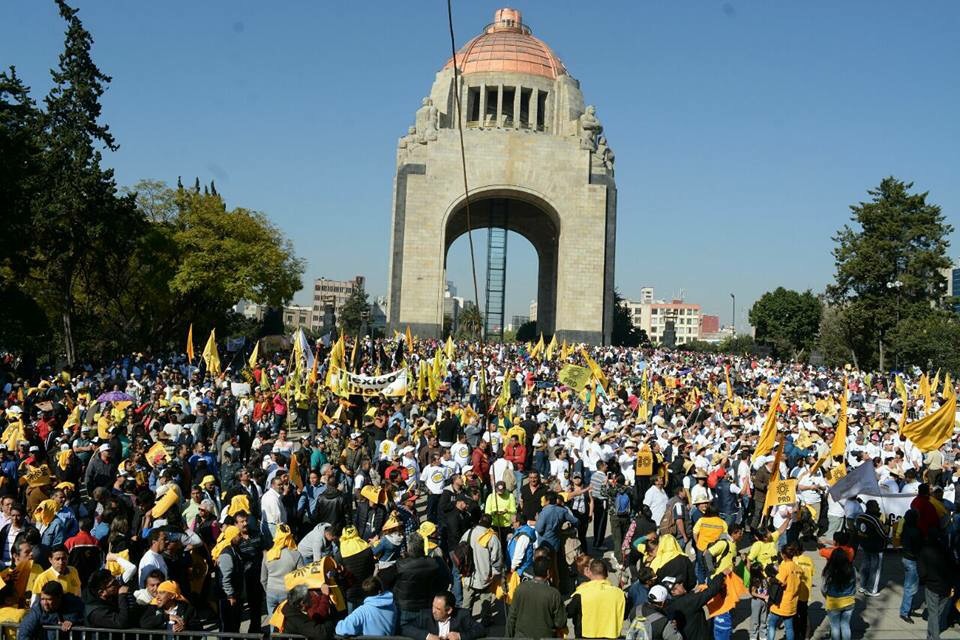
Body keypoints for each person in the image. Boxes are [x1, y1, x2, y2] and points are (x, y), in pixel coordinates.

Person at [393, 533, 448, 627]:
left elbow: (385, 582)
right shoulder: (435, 563)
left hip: (406, 609)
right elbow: (445, 582)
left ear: (409, 548)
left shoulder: (400, 565)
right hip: (427, 607)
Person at [506, 556, 566, 639]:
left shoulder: (520, 588)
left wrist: (508, 637)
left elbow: (511, 617)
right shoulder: (554, 594)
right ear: (548, 572)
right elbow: (560, 622)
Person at [664, 567, 729, 640]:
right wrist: (721, 575)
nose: (682, 584)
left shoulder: (669, 605)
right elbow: (711, 591)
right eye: (678, 584)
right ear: (673, 592)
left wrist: (692, 593)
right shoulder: (688, 601)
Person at [567, 558, 625, 639]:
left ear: (590, 573)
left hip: (585, 635)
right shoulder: (619, 594)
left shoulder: (581, 593)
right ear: (607, 574)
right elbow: (624, 614)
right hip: (611, 635)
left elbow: (569, 612)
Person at [917, 531, 957, 640]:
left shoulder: (925, 551)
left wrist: (925, 580)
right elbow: (954, 567)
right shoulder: (946, 551)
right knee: (937, 613)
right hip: (946, 587)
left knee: (933, 614)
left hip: (932, 587)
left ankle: (934, 637)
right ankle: (930, 636)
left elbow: (922, 572)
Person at [401, 591, 484, 640]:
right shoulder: (426, 615)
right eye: (433, 606)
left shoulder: (462, 615)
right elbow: (405, 628)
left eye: (438, 609)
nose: (433, 611)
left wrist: (460, 636)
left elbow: (480, 629)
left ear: (449, 610)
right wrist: (427, 636)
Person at [16, 581, 84, 640]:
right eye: (42, 599)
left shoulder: (72, 602)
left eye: (49, 599)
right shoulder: (38, 608)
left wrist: (71, 619)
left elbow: (83, 614)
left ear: (59, 598)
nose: (45, 603)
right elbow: (25, 631)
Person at [261, 523, 305, 615]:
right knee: (286, 623)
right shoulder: (296, 555)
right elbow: (301, 579)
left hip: (271, 592)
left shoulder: (268, 555)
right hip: (287, 593)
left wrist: (268, 590)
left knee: (273, 621)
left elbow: (263, 579)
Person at [767, 544, 802, 640]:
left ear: (783, 555)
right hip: (792, 603)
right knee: (789, 628)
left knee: (771, 625)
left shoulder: (785, 567)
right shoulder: (798, 568)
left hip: (781, 602)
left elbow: (779, 581)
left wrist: (769, 579)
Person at [853, 499, 887, 596]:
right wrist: (885, 525)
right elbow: (883, 533)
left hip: (864, 545)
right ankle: (871, 590)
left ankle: (863, 586)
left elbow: (856, 529)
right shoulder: (874, 520)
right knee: (875, 569)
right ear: (872, 508)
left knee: (865, 566)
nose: (879, 508)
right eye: (876, 506)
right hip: (876, 548)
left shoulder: (860, 517)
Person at [820, 548, 856, 640]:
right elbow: (855, 585)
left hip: (833, 602)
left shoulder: (829, 570)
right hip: (849, 601)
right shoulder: (852, 569)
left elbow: (823, 588)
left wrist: (826, 596)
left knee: (835, 627)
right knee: (846, 625)